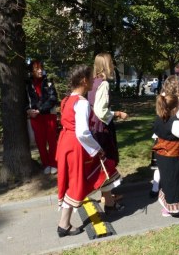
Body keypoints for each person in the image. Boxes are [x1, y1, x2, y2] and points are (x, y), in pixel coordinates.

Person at [56, 65, 121, 237]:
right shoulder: (82, 103)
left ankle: (109, 201)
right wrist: (98, 149)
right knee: (77, 182)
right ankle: (63, 225)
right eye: (91, 78)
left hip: (66, 144)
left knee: (100, 170)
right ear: (84, 81)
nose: (94, 81)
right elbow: (83, 132)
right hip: (77, 146)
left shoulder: (67, 100)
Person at [87, 53, 128, 210]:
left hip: (94, 126)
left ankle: (108, 196)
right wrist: (118, 114)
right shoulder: (103, 84)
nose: (113, 65)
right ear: (106, 65)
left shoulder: (93, 82)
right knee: (108, 161)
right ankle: (110, 204)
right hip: (102, 127)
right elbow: (100, 111)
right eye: (111, 63)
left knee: (103, 162)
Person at [153, 93, 179, 217]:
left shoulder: (159, 118)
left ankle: (171, 201)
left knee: (168, 179)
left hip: (162, 155)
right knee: (173, 181)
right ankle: (170, 207)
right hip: (171, 156)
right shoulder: (173, 123)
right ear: (175, 108)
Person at [25, 60, 58, 175]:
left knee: (52, 141)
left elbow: (53, 98)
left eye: (41, 68)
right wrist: (28, 110)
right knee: (40, 142)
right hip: (35, 117)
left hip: (49, 115)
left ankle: (54, 163)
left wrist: (40, 110)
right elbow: (24, 101)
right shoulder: (27, 84)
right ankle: (46, 164)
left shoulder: (48, 81)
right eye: (37, 69)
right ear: (31, 71)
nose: (40, 70)